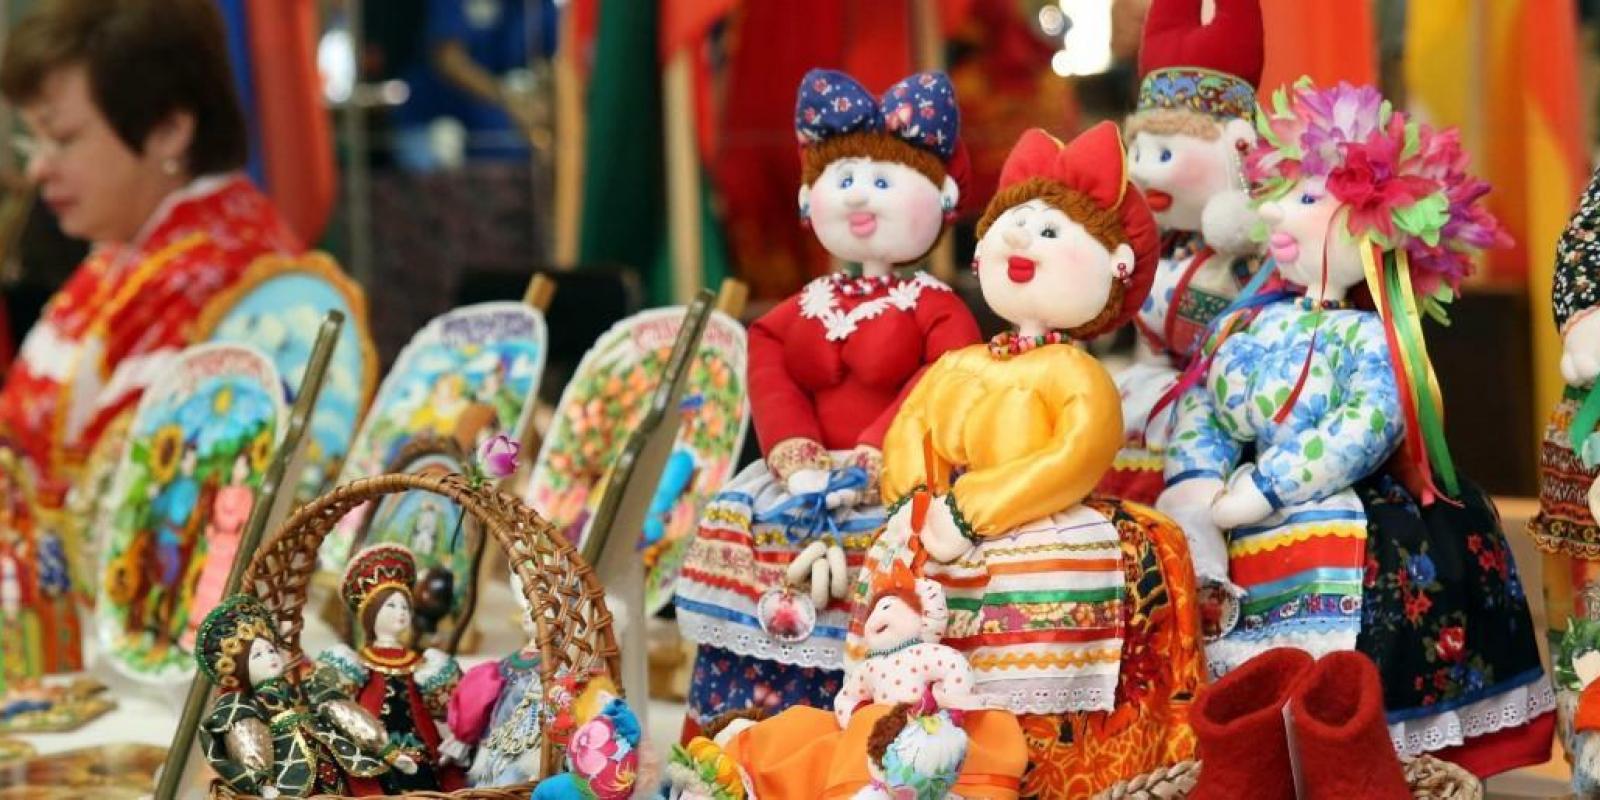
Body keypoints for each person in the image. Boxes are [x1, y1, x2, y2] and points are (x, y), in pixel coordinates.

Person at [1157, 80, 1552, 776]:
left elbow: (1367, 421)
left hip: (1343, 510)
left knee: (1378, 616)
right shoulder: (1246, 325)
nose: (1277, 210)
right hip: (1241, 513)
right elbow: (1206, 408)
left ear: (1374, 228)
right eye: (1282, 195)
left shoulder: (1371, 337)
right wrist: (1194, 484)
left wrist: (1271, 486)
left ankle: (1358, 754)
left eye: (1308, 200)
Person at [850, 123, 1205, 798]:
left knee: (1075, 574)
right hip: (939, 522)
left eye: (1048, 232)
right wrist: (917, 504)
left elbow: (1076, 451)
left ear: (1116, 266)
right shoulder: (961, 363)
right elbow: (913, 429)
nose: (1021, 241)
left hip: (1034, 516)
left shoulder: (1078, 373)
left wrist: (971, 511)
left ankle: (1053, 759)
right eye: (1012, 225)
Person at [673, 68, 981, 738]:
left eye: (883, 181)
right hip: (800, 479)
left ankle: (856, 733)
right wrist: (794, 451)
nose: (859, 196)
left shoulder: (936, 307)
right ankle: (741, 732)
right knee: (747, 535)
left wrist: (876, 452)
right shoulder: (806, 303)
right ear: (811, 197)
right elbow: (767, 357)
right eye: (843, 179)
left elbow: (945, 378)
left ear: (940, 196)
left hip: (892, 481)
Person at [0, 0, 305, 673]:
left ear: (170, 129)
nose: (39, 169)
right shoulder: (128, 251)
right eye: (31, 144)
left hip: (139, 655)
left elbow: (126, 516)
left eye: (63, 139)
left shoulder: (222, 275)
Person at [316, 544, 468, 793]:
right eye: (391, 606)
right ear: (371, 613)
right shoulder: (353, 663)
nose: (400, 613)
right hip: (370, 748)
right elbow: (337, 708)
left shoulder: (424, 664)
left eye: (404, 606)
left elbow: (447, 710)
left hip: (421, 748)